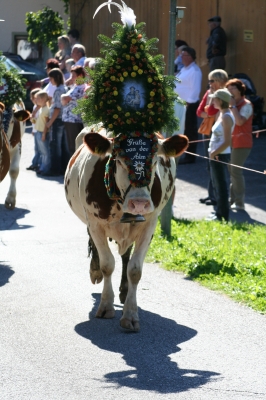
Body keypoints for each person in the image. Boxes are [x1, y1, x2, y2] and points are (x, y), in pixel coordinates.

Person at [197, 69, 228, 206]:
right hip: (208, 131)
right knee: (209, 165)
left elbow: (209, 110)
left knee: (217, 164)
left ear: (220, 81)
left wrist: (208, 109)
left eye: (212, 81)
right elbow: (199, 111)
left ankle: (217, 196)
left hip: (219, 133)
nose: (209, 83)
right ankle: (212, 194)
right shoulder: (209, 93)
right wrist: (208, 112)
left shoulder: (224, 95)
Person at [206, 89, 235, 221]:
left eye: (215, 99)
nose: (212, 101)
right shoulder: (221, 114)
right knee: (217, 185)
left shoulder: (227, 117)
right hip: (216, 154)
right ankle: (219, 212)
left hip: (220, 155)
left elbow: (227, 141)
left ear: (221, 101)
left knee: (221, 186)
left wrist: (213, 153)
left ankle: (222, 215)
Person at [226, 78, 253, 210]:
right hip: (230, 141)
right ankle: (232, 200)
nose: (230, 91)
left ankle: (239, 202)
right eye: (228, 89)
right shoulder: (231, 104)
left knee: (236, 171)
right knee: (232, 171)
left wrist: (233, 106)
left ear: (240, 89)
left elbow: (240, 122)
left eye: (233, 88)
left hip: (242, 143)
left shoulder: (246, 104)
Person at [174, 46, 202, 164]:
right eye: (181, 55)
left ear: (190, 57)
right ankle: (182, 152)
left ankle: (191, 155)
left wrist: (188, 103)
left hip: (189, 105)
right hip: (180, 104)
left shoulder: (194, 71)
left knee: (190, 130)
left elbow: (195, 90)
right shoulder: (185, 69)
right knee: (182, 129)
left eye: (184, 55)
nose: (181, 58)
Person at [45, 68, 69, 176]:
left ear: (56, 78)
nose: (50, 80)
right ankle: (64, 168)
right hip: (63, 120)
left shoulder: (58, 90)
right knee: (64, 146)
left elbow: (57, 108)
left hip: (57, 120)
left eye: (51, 78)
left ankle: (54, 169)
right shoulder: (64, 88)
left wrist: (50, 122)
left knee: (55, 145)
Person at [61, 66, 86, 156]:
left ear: (79, 76)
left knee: (74, 147)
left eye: (73, 75)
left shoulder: (81, 88)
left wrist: (63, 97)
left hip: (74, 120)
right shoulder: (75, 87)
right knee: (71, 146)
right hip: (70, 120)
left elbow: (65, 99)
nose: (71, 78)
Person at [34, 91, 50, 176]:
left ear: (43, 99)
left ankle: (45, 169)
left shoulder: (46, 110)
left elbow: (46, 124)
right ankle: (42, 167)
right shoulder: (41, 108)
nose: (36, 100)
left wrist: (44, 134)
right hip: (38, 131)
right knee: (42, 151)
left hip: (42, 133)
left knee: (45, 152)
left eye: (38, 98)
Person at [26, 88, 42, 171]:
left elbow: (39, 119)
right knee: (37, 148)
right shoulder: (35, 106)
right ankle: (35, 163)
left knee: (40, 149)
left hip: (39, 130)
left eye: (33, 98)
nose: (31, 99)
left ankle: (38, 164)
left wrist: (33, 118)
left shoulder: (39, 107)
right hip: (36, 130)